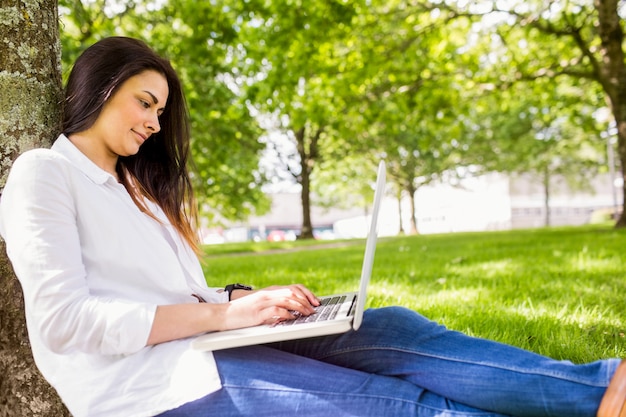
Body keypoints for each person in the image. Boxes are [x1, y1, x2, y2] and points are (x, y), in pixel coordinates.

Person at [0, 36, 624, 417]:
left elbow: (172, 300)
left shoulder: (135, 192)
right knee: (400, 406)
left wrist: (245, 302)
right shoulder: (43, 174)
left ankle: (599, 392)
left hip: (204, 343)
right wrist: (223, 316)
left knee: (394, 330)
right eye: (145, 102)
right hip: (151, 386)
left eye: (160, 110)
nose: (155, 124)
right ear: (100, 87)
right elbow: (64, 322)